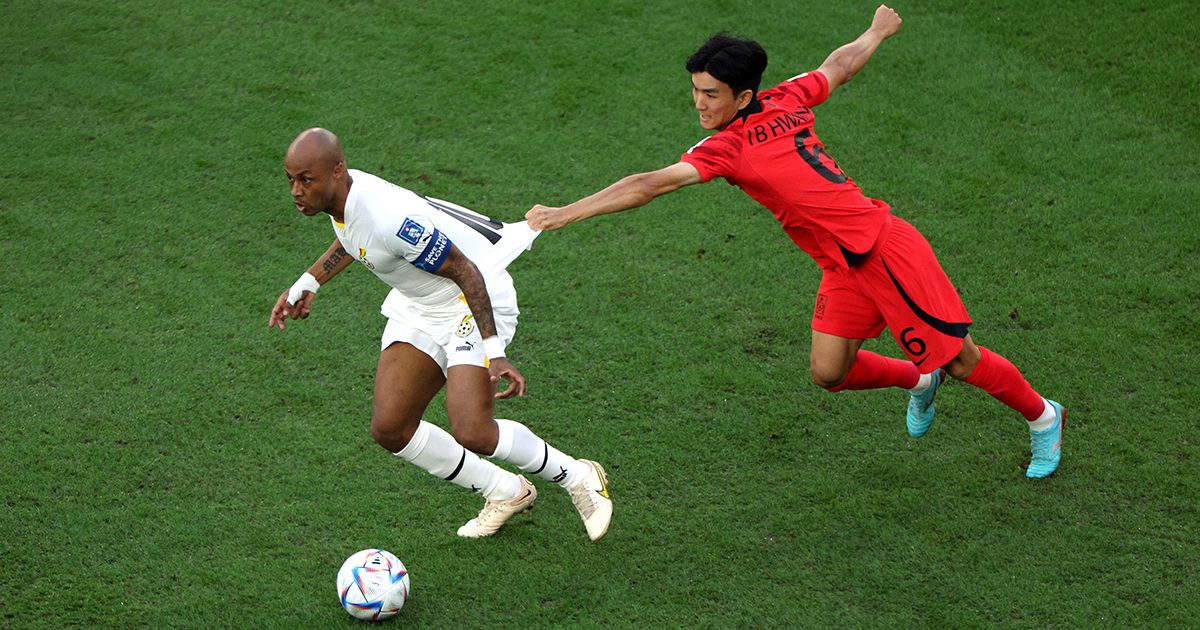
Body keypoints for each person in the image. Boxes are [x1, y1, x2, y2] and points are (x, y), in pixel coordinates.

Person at [526, 5, 1065, 478]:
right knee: (829, 372)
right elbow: (838, 67)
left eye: (710, 94)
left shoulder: (727, 148)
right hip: (842, 266)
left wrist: (568, 212)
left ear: (743, 94)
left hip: (885, 253)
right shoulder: (784, 98)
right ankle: (919, 383)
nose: (698, 103)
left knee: (962, 363)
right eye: (694, 89)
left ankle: (1043, 417)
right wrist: (876, 31)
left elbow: (649, 185)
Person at [270, 128, 613, 540]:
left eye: (305, 179)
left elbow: (466, 271)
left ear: (337, 171)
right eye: (291, 179)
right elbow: (352, 238)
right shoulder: (342, 196)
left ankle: (578, 475)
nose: (296, 190)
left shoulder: (389, 220)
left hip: (471, 298)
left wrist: (494, 350)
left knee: (474, 431)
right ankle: (505, 491)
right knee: (391, 427)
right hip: (420, 304)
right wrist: (309, 282)